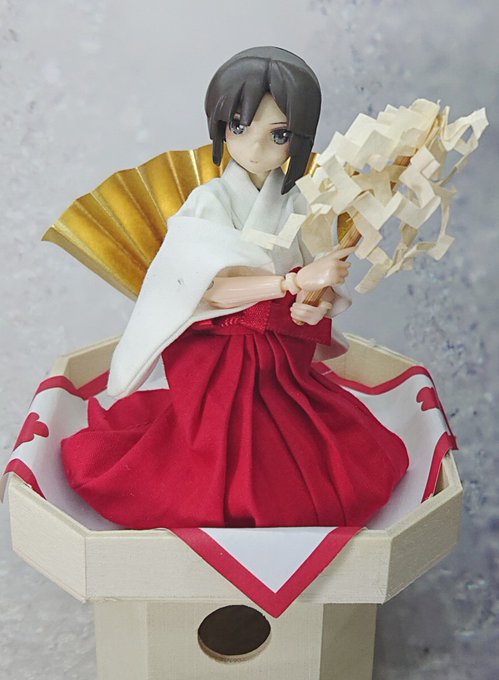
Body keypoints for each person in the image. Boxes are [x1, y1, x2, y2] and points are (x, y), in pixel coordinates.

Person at [61, 47, 409, 529]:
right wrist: (291, 282)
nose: (256, 149)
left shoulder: (299, 202)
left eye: (279, 135)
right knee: (225, 447)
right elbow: (209, 291)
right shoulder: (208, 202)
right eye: (240, 127)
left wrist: (317, 303)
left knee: (311, 443)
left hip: (281, 352)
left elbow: (314, 276)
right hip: (218, 353)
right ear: (222, 126)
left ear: (299, 139)